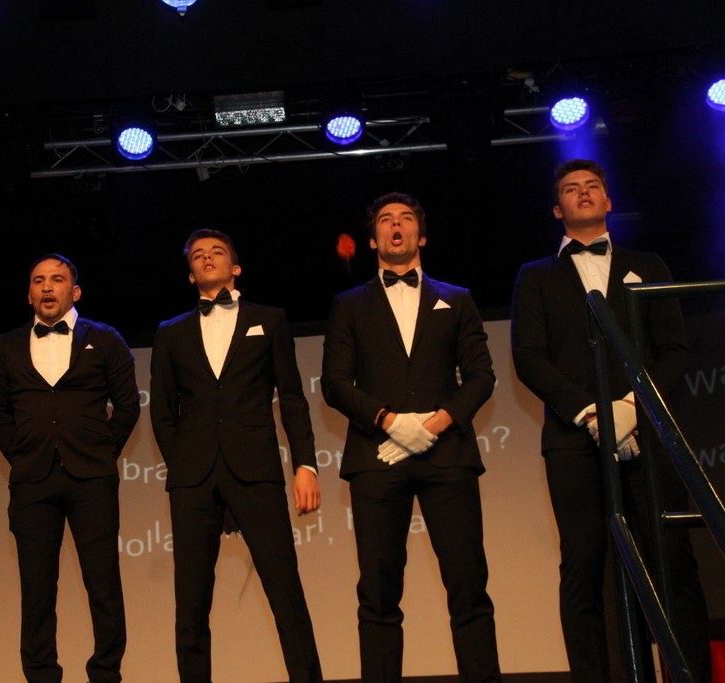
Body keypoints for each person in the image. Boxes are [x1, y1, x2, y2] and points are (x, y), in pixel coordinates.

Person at [511, 159, 710, 682]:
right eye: (571, 189)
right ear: (557, 209)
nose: (583, 193)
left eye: (592, 186)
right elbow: (529, 358)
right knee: (584, 567)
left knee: (673, 560)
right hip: (573, 443)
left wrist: (628, 409)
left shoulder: (648, 263)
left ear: (608, 201)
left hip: (649, 436)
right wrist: (591, 412)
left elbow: (673, 350)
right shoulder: (535, 276)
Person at [321, 192, 502, 683]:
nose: (395, 226)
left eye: (405, 219)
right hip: (376, 458)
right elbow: (334, 382)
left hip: (449, 456)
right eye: (385, 220)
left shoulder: (457, 298)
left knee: (468, 588)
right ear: (373, 239)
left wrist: (435, 423)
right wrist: (389, 421)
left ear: (421, 235)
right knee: (378, 595)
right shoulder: (348, 304)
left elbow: (482, 376)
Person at [149, 229, 323, 683]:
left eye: (217, 252)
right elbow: (163, 413)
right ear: (191, 275)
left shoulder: (270, 319)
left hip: (256, 470)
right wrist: (184, 465)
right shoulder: (170, 332)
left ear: (236, 266)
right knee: (191, 605)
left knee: (285, 591)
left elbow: (292, 398)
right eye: (198, 256)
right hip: (193, 480)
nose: (208, 258)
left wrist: (305, 463)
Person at [0, 253, 140, 683]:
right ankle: (41, 675)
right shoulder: (6, 346)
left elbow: (128, 406)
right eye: (38, 281)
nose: (47, 287)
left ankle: (105, 673)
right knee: (36, 589)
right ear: (29, 294)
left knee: (103, 584)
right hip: (32, 482)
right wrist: (24, 454)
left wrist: (102, 450)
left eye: (56, 279)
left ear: (75, 291)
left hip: (92, 479)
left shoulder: (105, 339)